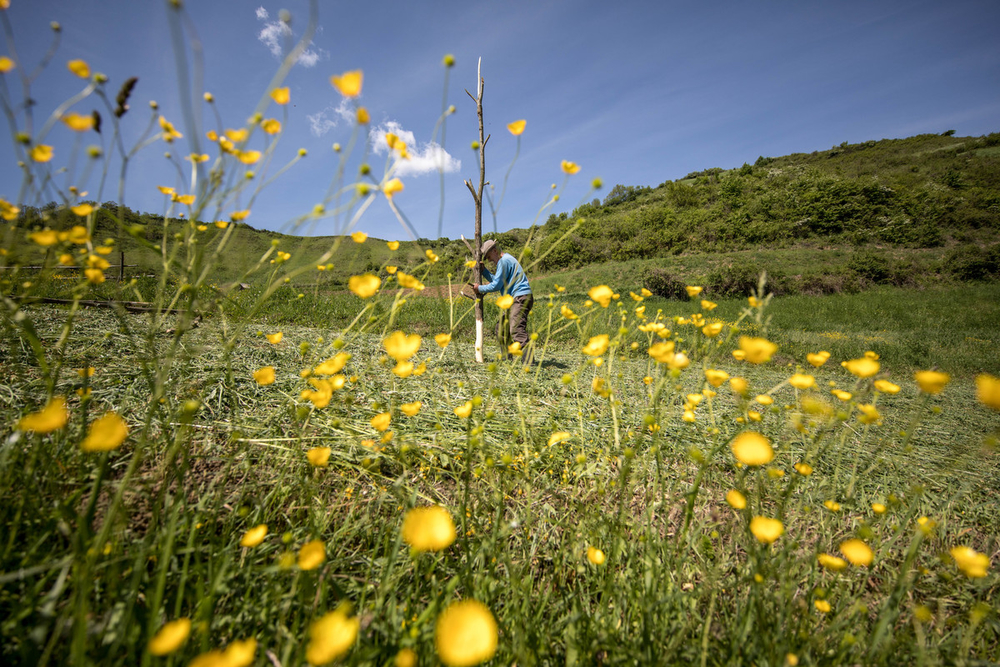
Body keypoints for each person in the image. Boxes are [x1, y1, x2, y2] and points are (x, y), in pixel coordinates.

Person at [468, 239, 533, 363]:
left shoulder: (504, 261)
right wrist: (484, 271)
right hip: (514, 298)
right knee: (501, 329)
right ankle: (506, 358)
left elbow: (496, 285)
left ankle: (529, 363)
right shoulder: (505, 261)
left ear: (494, 250)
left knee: (516, 329)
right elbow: (498, 281)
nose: (489, 259)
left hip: (519, 297)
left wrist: (479, 289)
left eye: (488, 256)